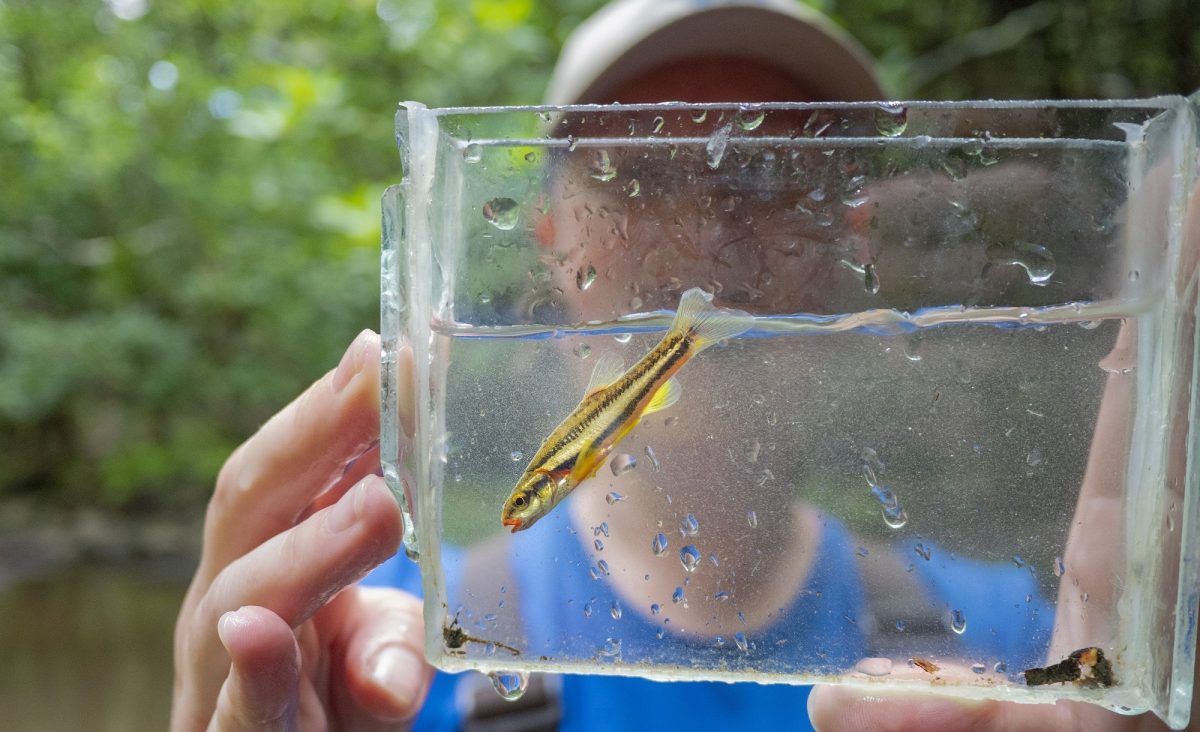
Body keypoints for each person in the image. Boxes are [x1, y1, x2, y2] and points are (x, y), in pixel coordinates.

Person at [171, 1, 1197, 730]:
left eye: (770, 173)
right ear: (550, 240)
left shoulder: (1030, 647)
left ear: (853, 245)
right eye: (641, 172)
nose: (708, 230)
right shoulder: (376, 647)